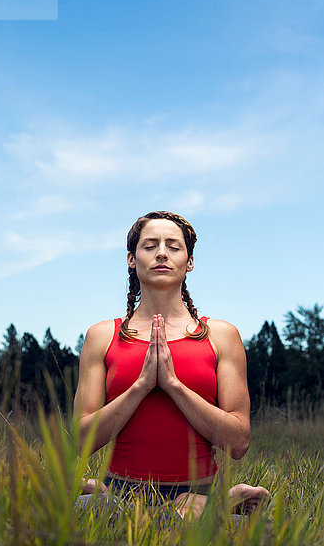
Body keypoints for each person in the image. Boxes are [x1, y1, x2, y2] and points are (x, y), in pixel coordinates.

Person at [74, 211, 270, 522]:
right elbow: (82, 440)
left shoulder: (221, 336)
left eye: (173, 246)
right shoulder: (101, 336)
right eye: (150, 245)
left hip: (197, 493)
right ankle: (215, 508)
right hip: (123, 490)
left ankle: (205, 508)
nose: (162, 253)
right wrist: (141, 386)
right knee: (83, 513)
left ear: (189, 261)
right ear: (131, 258)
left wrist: (173, 385)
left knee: (263, 532)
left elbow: (238, 442)